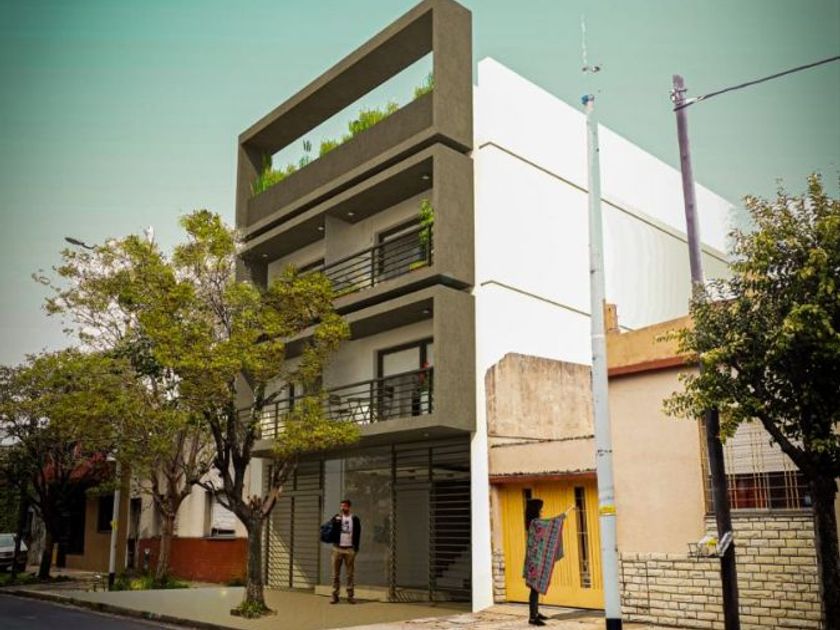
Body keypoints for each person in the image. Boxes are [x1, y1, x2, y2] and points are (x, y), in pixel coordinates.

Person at [328, 498, 361, 604]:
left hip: (349, 549)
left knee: (350, 574)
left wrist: (356, 548)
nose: (343, 508)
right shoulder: (337, 517)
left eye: (345, 506)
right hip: (337, 548)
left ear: (349, 507)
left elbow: (358, 534)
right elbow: (330, 530)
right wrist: (335, 521)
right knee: (335, 574)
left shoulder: (354, 519)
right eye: (341, 506)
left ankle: (350, 596)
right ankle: (334, 595)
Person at [524, 498, 549, 626]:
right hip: (534, 561)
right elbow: (549, 525)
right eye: (540, 509)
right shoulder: (535, 523)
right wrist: (562, 517)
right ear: (536, 510)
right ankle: (533, 618)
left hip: (533, 558)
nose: (542, 511)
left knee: (535, 588)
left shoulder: (532, 522)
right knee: (534, 588)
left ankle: (536, 613)